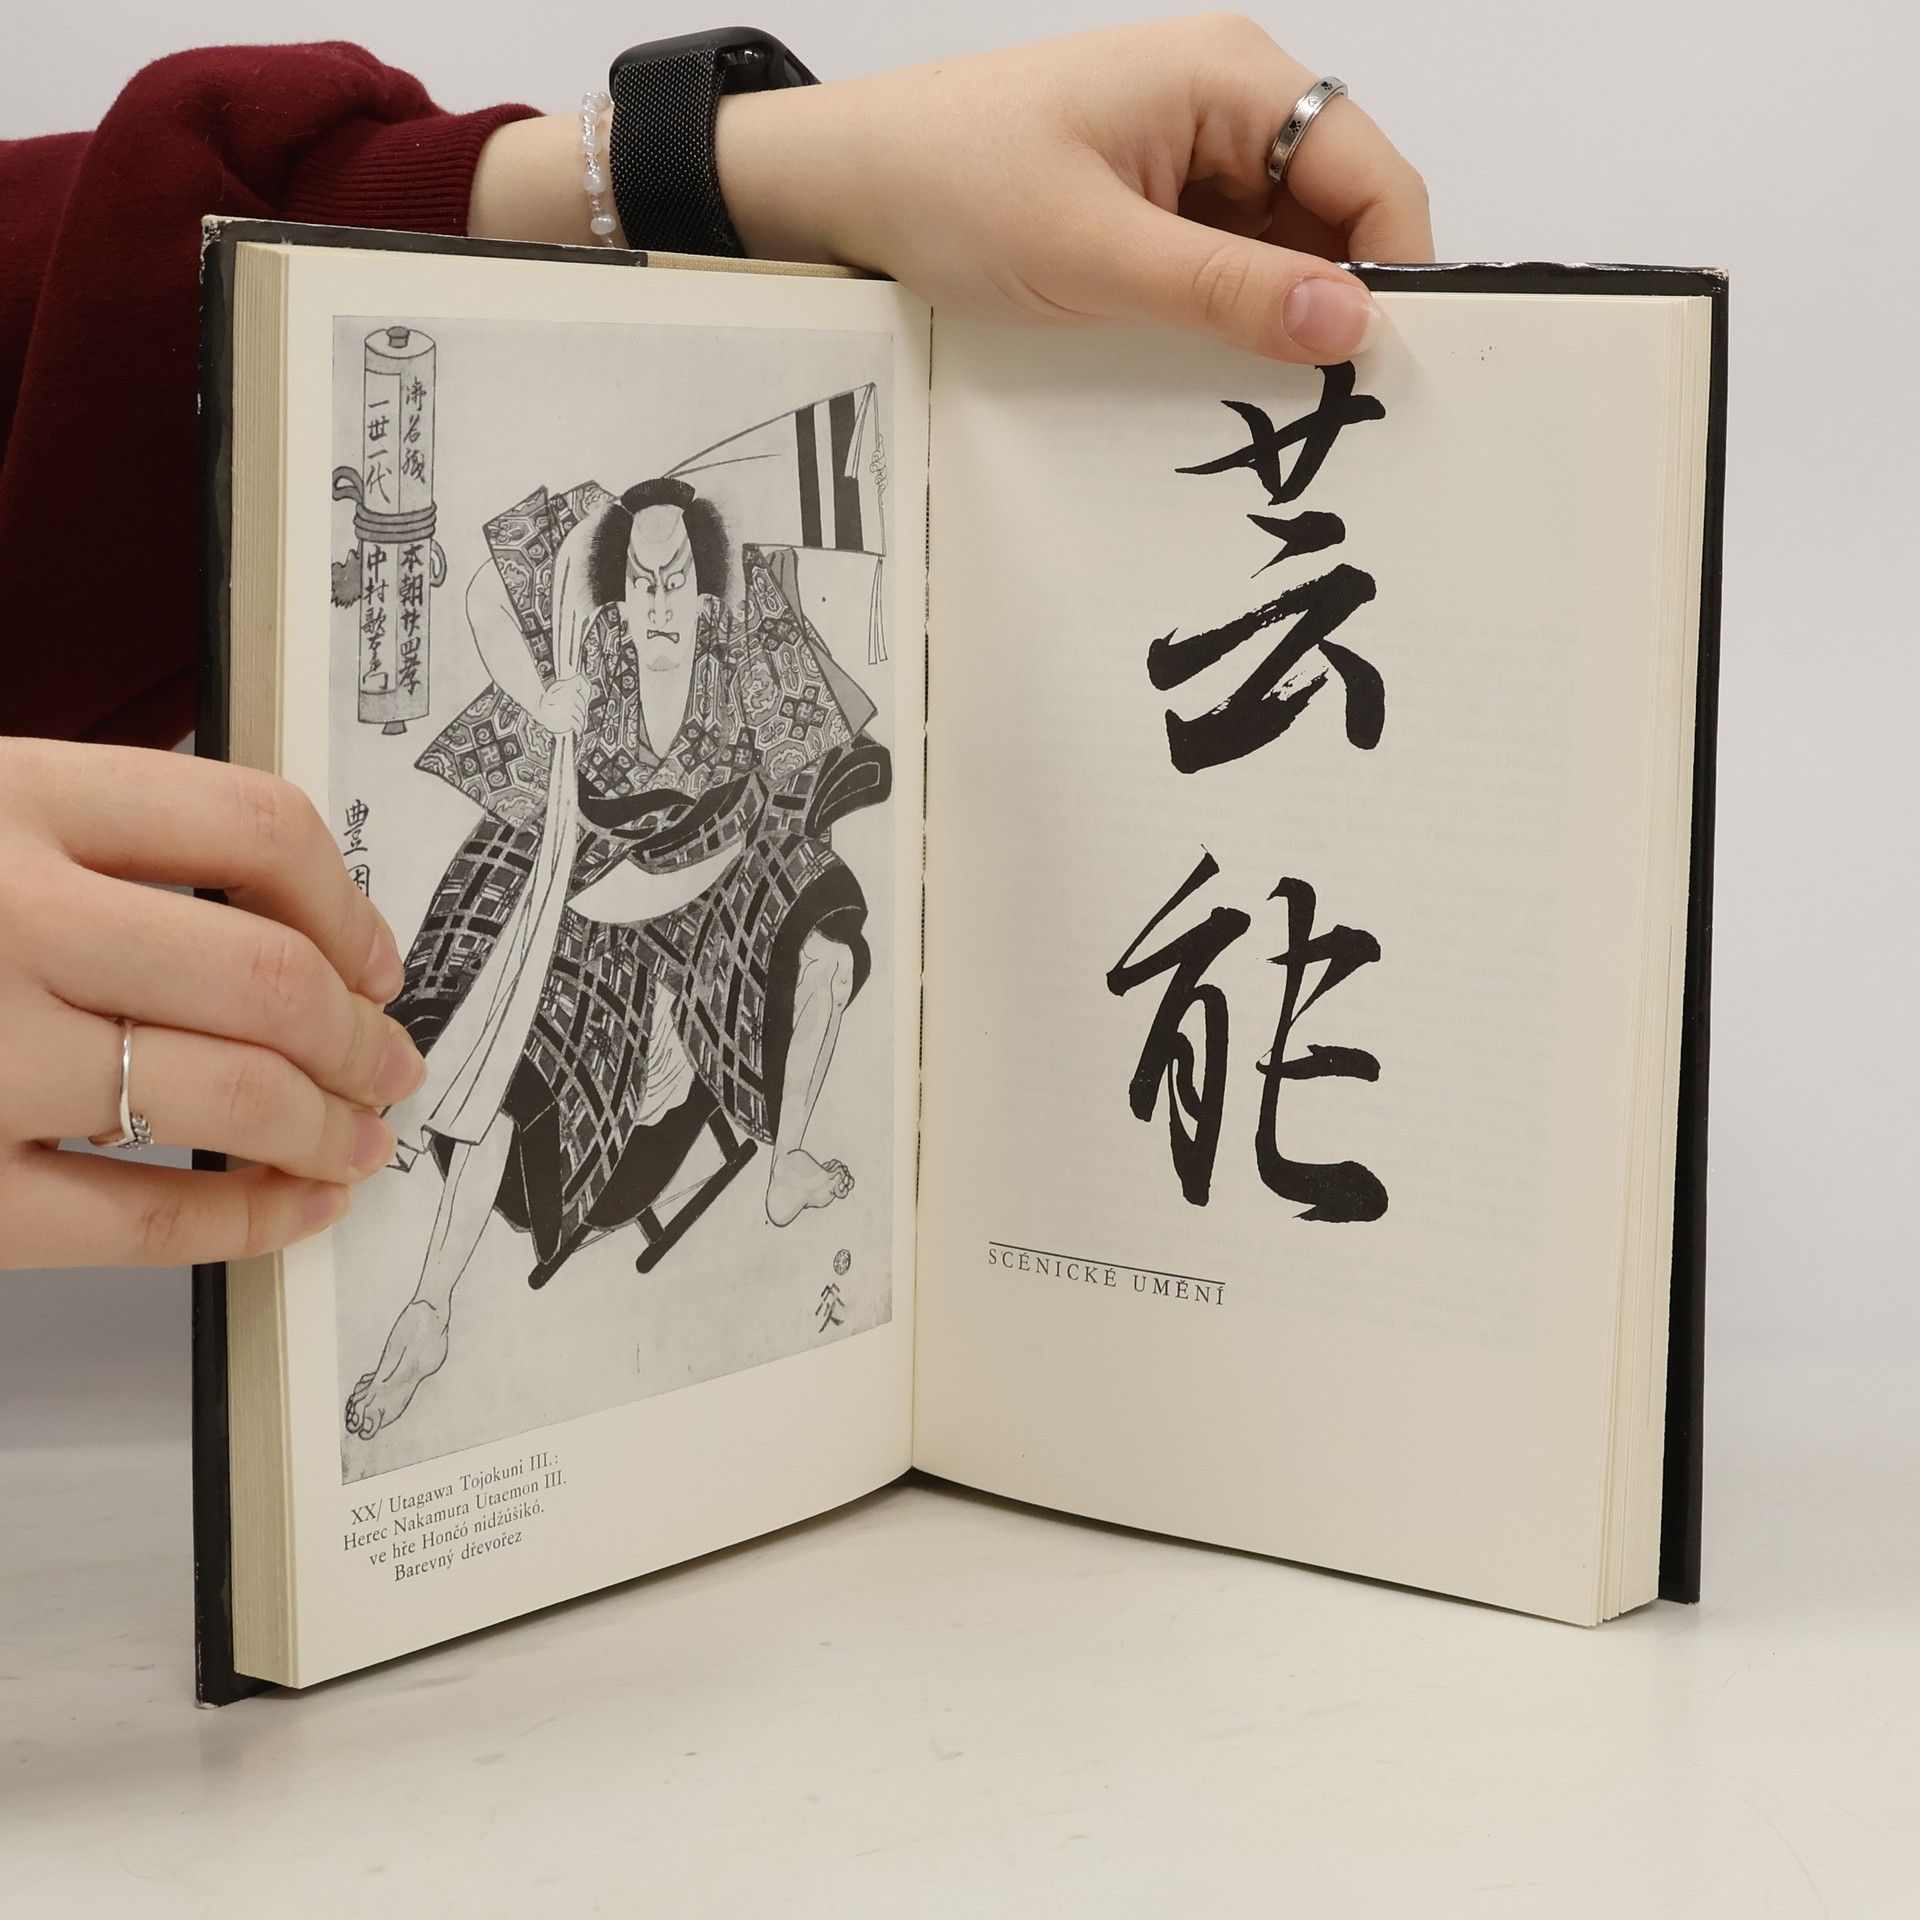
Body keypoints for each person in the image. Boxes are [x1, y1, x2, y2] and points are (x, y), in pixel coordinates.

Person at [0, 17, 1432, 1271]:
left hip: (707, 895)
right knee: (477, 1059)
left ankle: (790, 1154)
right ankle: (435, 1293)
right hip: (581, 895)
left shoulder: (752, 641)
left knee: (828, 939)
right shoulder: (587, 657)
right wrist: (542, 693)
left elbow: (80, 325)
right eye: (644, 577)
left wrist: (745, 169)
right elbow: (485, 608)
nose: (663, 596)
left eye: (682, 576)